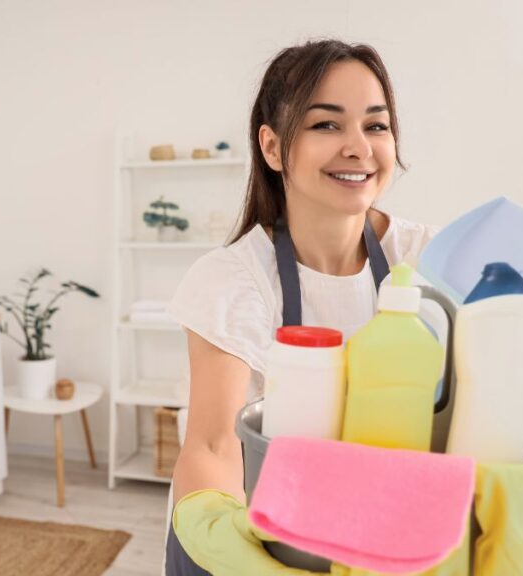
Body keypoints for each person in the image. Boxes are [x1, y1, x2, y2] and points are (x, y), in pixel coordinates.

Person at [164, 38, 440, 574]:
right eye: (326, 125)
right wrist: (224, 538)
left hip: (387, 531)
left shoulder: (428, 259)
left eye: (376, 125)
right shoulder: (232, 279)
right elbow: (214, 444)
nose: (359, 147)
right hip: (263, 531)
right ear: (271, 147)